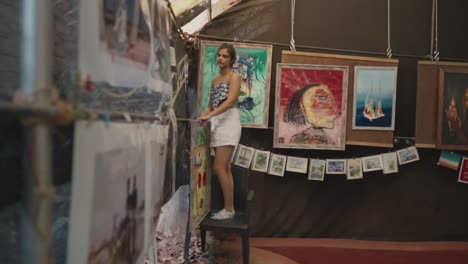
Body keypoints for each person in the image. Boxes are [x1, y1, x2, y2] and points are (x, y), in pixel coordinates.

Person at [198, 43, 242, 220]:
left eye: (224, 56)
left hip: (229, 121)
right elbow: (210, 105)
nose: (220, 58)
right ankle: (229, 209)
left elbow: (230, 102)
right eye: (219, 55)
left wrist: (210, 116)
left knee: (218, 167)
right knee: (226, 167)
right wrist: (204, 115)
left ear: (231, 59)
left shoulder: (235, 76)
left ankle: (229, 208)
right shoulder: (215, 80)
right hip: (216, 121)